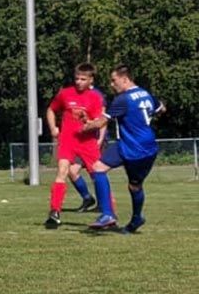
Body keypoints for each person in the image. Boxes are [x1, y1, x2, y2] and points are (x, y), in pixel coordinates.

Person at [87, 65, 165, 233]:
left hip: (133, 147)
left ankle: (119, 216)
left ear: (125, 79)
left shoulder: (123, 99)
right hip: (147, 147)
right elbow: (162, 108)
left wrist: (86, 125)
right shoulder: (145, 93)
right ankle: (122, 217)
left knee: (130, 185)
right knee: (102, 170)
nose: (111, 84)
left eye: (114, 80)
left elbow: (101, 122)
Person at [42, 63, 106, 229]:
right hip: (67, 140)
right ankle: (54, 212)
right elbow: (51, 110)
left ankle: (107, 212)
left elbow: (100, 122)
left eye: (83, 79)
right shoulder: (65, 94)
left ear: (91, 79)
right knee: (63, 171)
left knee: (98, 175)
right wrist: (54, 128)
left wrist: (88, 122)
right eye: (77, 78)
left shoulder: (95, 97)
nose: (78, 82)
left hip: (87, 143)